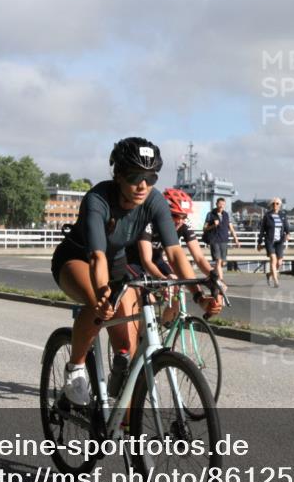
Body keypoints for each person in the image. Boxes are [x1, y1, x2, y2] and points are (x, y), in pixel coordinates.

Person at [50, 137, 219, 406]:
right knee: (99, 303)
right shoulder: (98, 199)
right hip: (78, 259)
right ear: (117, 174)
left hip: (115, 263)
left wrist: (198, 294)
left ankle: (125, 425)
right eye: (134, 176)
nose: (142, 185)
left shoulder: (154, 201)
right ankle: (75, 370)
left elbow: (175, 253)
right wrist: (104, 293)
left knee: (125, 351)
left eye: (150, 177)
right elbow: (96, 256)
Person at [130, 188, 222, 323]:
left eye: (184, 216)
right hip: (134, 260)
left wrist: (214, 278)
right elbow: (146, 261)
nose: (179, 221)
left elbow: (199, 257)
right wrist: (163, 280)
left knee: (176, 291)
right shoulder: (150, 221)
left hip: (157, 259)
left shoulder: (184, 223)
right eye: (175, 215)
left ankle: (163, 328)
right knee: (147, 298)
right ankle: (141, 335)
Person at [203, 197, 240, 280]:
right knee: (218, 261)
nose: (221, 206)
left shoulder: (226, 215)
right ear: (216, 204)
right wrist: (213, 225)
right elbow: (204, 228)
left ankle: (213, 276)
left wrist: (236, 239)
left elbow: (231, 228)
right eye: (220, 204)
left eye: (223, 204)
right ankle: (221, 280)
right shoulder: (210, 214)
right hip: (214, 240)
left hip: (224, 240)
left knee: (222, 262)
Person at [257, 197, 290, 287]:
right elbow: (262, 230)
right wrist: (259, 243)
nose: (275, 205)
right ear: (271, 205)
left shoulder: (283, 215)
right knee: (273, 260)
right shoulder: (267, 216)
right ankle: (276, 281)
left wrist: (287, 234)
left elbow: (286, 227)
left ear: (280, 205)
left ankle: (269, 274)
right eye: (273, 204)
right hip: (269, 240)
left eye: (277, 203)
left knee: (279, 263)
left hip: (279, 241)